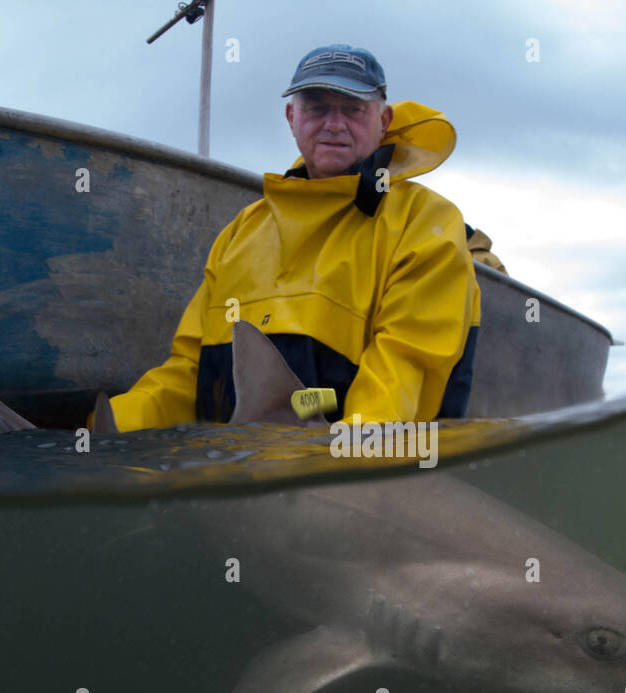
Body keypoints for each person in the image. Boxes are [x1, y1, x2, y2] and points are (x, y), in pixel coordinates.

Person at [100, 43, 481, 429]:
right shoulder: (243, 230)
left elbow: (404, 369)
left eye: (353, 109)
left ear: (384, 121)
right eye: (317, 108)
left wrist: (341, 468)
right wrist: (102, 432)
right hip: (227, 471)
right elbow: (187, 373)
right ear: (291, 117)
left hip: (353, 475)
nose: (335, 124)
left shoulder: (426, 222)